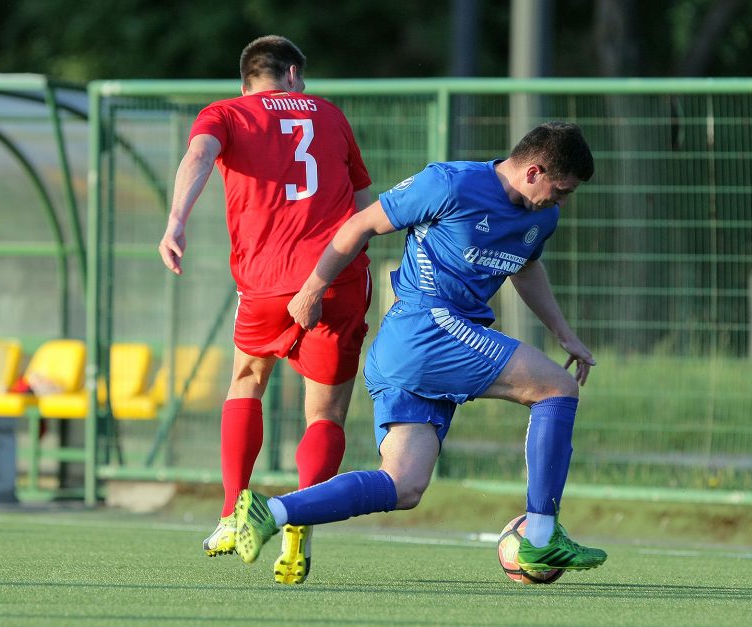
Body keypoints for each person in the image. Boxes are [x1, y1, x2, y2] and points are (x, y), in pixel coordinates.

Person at [232, 121, 608, 576]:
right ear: (534, 170)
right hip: (425, 329)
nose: (562, 201)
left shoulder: (542, 215)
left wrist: (564, 333)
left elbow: (525, 267)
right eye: (560, 189)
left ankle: (268, 513)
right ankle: (542, 538)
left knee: (404, 486)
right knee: (557, 389)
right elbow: (361, 225)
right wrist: (313, 288)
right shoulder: (449, 184)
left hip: (424, 350)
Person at [158, 35, 373, 584]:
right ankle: (297, 528)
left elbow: (200, 154)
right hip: (337, 275)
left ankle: (233, 514)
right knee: (324, 412)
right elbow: (360, 202)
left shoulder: (226, 112)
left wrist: (177, 219)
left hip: (266, 280)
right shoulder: (329, 114)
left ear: (246, 80)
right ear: (294, 74)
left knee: (247, 379)